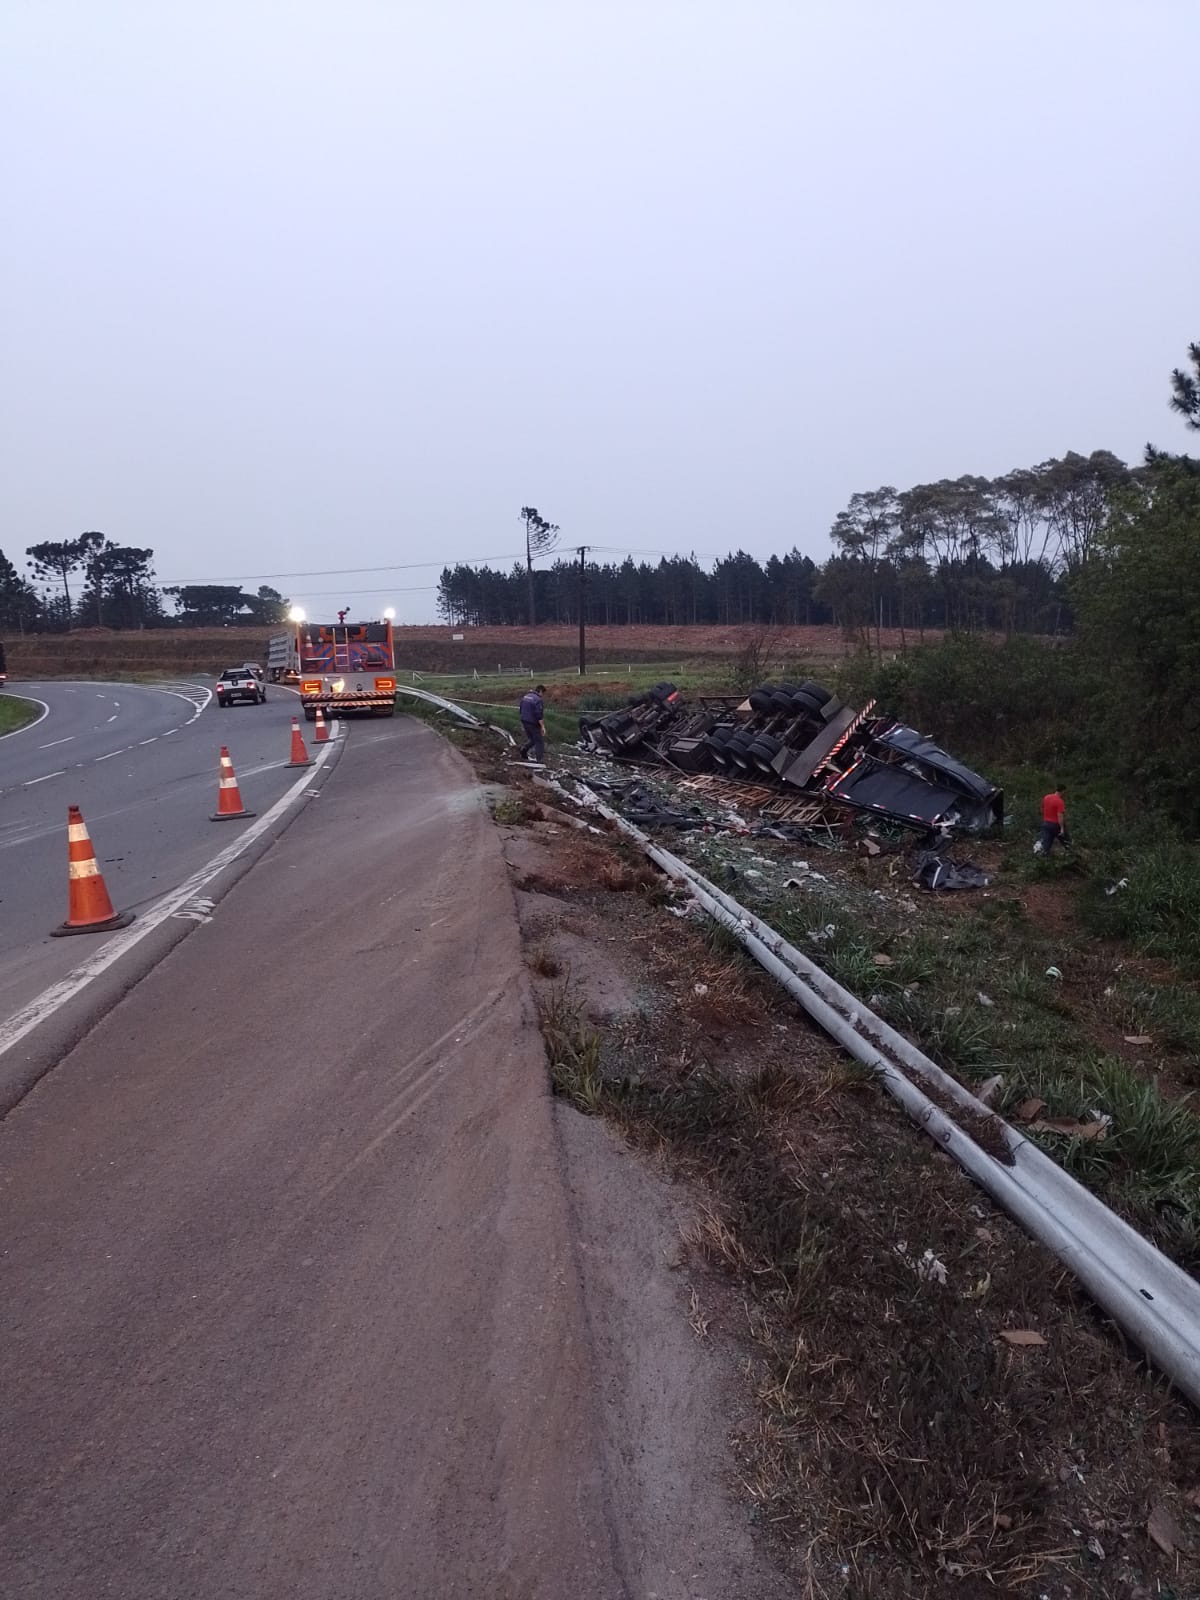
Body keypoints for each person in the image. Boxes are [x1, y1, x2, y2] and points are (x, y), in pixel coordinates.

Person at [1035, 784, 1069, 854]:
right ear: (1063, 791)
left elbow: (1042, 809)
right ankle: (1071, 855)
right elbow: (1060, 816)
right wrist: (1062, 828)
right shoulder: (1060, 801)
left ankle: (1042, 860)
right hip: (1056, 825)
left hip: (1046, 824)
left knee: (1046, 845)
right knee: (1067, 842)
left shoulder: (1046, 797)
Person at [518, 684, 547, 764]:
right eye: (543, 693)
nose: (542, 696)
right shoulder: (537, 700)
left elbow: (520, 709)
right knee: (539, 741)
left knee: (532, 739)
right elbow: (539, 714)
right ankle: (539, 760)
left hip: (524, 721)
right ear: (540, 691)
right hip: (533, 723)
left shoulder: (526, 696)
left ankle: (523, 750)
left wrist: (522, 722)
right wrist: (542, 726)